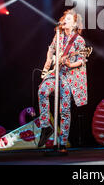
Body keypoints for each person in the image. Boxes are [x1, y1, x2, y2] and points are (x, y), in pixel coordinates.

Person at [37, 9, 88, 152]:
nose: (66, 20)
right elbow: (51, 50)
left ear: (74, 24)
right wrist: (47, 64)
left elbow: (82, 60)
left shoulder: (78, 40)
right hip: (55, 73)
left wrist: (70, 64)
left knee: (64, 109)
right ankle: (46, 127)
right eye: (65, 18)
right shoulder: (58, 35)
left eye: (69, 19)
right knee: (42, 91)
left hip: (68, 76)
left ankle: (63, 142)